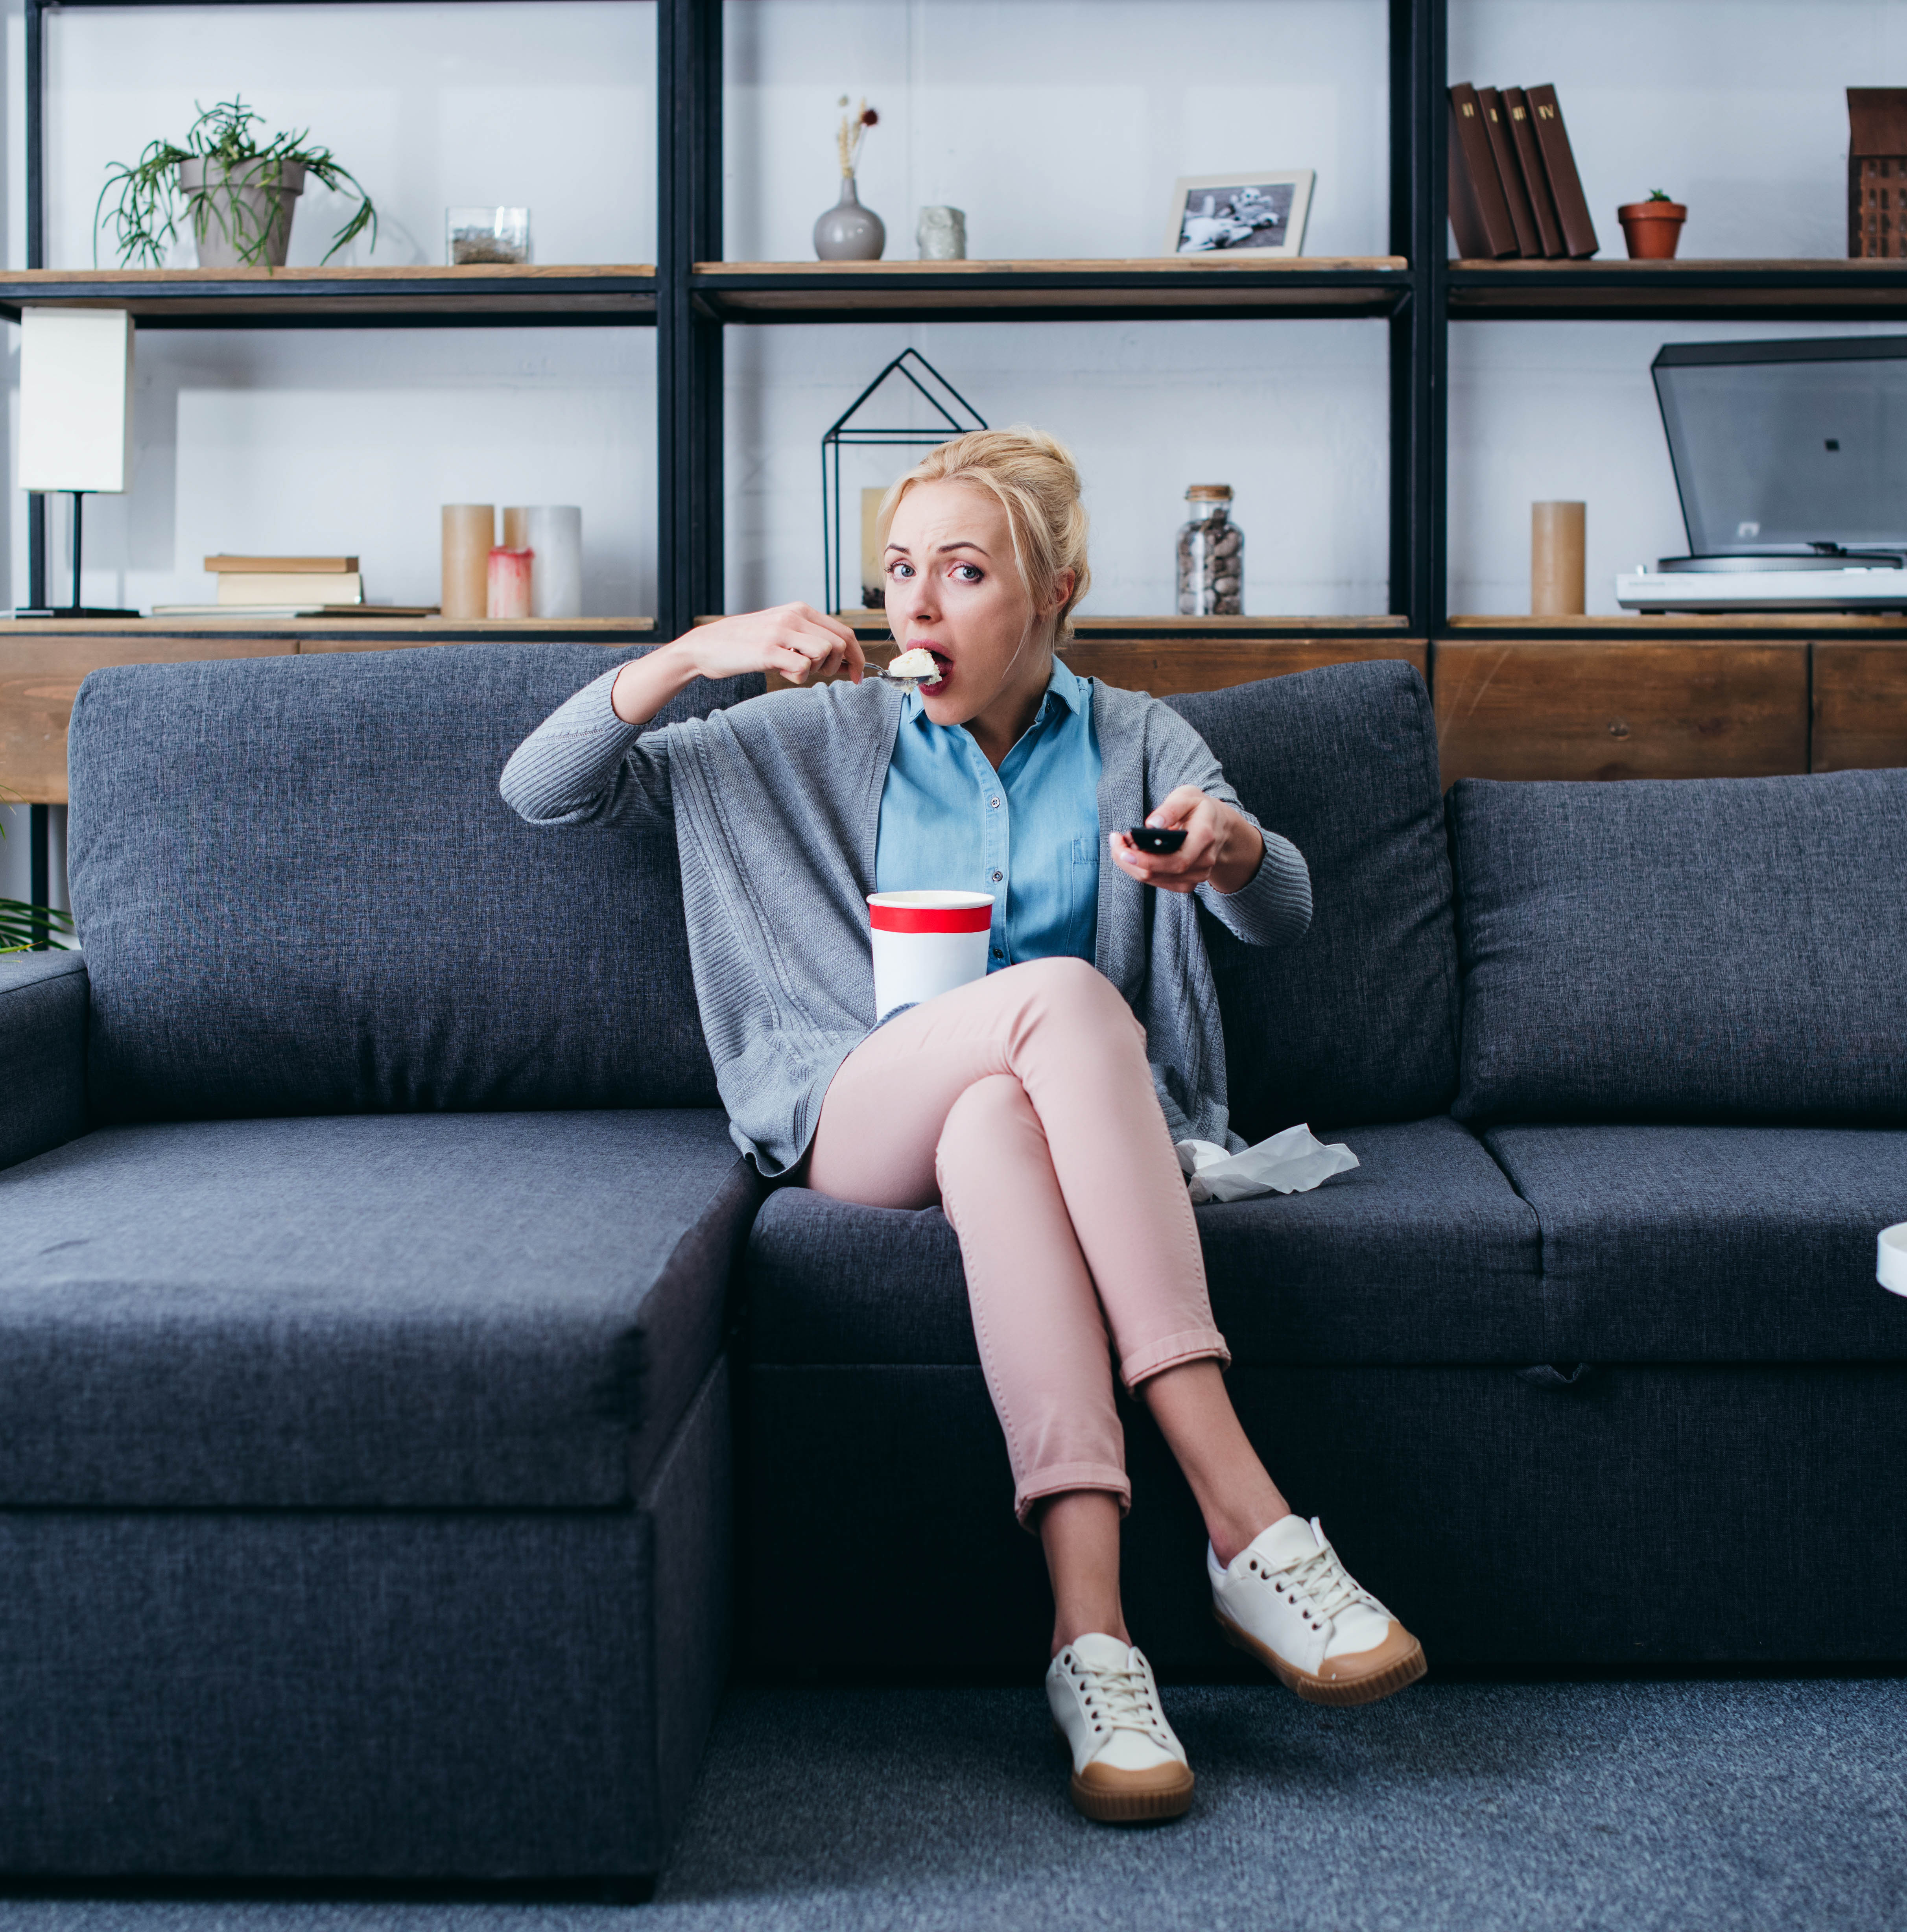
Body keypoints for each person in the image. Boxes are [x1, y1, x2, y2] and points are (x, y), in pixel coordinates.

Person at [502, 428, 1423, 1825]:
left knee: (996, 1110)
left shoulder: (1140, 741)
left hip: (1024, 1130)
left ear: (1056, 590)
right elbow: (543, 787)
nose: (916, 607)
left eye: (965, 570)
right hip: (850, 1107)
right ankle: (1248, 1516)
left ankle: (1092, 1642)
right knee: (1048, 996)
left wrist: (1229, 850)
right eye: (897, 571)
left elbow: (1275, 902)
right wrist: (704, 652)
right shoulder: (812, 732)